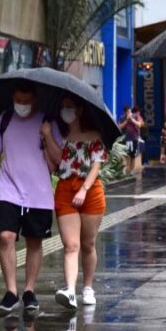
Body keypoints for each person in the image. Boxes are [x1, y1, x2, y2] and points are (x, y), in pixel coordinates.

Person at [0, 79, 64, 314]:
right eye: (18, 101)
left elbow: (59, 159)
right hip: (8, 189)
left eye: (26, 101)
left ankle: (29, 290)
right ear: (12, 98)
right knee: (6, 236)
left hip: (38, 192)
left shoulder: (47, 122)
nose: (22, 105)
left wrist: (48, 135)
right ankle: (11, 292)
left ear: (35, 100)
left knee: (34, 241)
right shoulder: (4, 120)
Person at [42, 94, 107, 309]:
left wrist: (84, 188)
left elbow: (97, 165)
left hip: (90, 190)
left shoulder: (94, 135)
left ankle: (87, 287)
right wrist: (47, 136)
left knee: (88, 244)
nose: (65, 111)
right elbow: (58, 160)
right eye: (63, 107)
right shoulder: (61, 135)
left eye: (69, 107)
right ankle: (69, 290)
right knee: (71, 245)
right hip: (65, 189)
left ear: (79, 110)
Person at [117, 105, 144, 173]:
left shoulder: (135, 116)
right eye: (127, 112)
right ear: (124, 112)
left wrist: (131, 120)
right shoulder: (122, 118)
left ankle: (131, 170)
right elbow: (119, 127)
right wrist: (126, 121)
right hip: (125, 139)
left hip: (134, 138)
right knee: (126, 155)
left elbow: (140, 125)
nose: (128, 113)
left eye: (129, 111)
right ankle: (127, 170)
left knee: (133, 156)